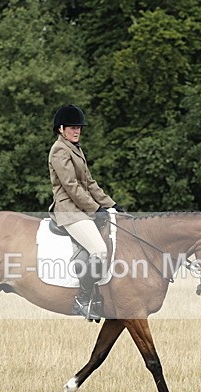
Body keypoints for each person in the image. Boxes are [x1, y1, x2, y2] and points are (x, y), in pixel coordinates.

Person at [48, 104, 124, 320]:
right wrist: (95, 208)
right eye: (72, 127)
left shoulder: (76, 149)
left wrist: (110, 205)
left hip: (82, 208)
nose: (76, 131)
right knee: (99, 251)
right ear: (61, 129)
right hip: (69, 210)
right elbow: (71, 186)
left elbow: (89, 183)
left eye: (79, 127)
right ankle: (82, 299)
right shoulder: (59, 150)